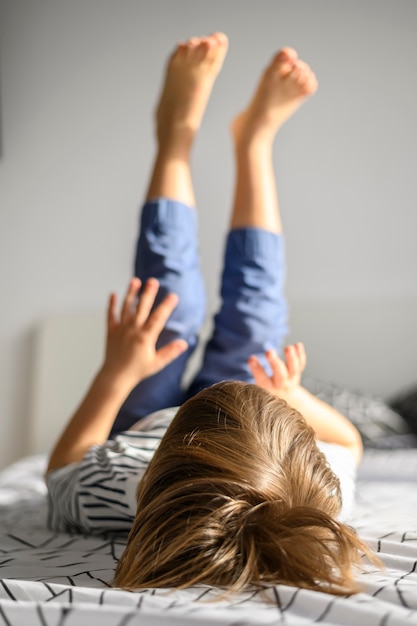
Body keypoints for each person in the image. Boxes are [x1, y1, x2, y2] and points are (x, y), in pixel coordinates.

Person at [46, 33, 377, 596]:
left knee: (164, 308)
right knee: (255, 315)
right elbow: (349, 444)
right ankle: (255, 141)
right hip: (260, 435)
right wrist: (296, 399)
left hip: (147, 416)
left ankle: (174, 138)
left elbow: (61, 471)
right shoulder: (313, 496)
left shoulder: (125, 488)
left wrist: (116, 373)